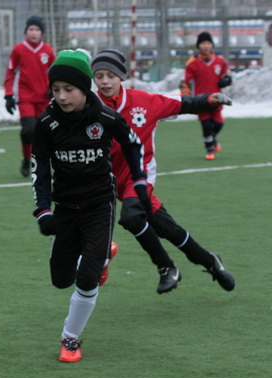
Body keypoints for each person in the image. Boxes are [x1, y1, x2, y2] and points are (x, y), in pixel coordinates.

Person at [32, 49, 150, 363]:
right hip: (65, 207)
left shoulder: (105, 117)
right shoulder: (46, 123)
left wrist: (139, 179)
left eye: (69, 89)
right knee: (61, 280)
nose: (61, 96)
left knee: (86, 279)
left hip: (99, 203)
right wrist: (43, 210)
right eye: (56, 89)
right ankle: (103, 254)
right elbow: (39, 168)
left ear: (85, 89)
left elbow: (132, 143)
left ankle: (70, 339)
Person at [91, 49, 235, 293]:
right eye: (99, 76)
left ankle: (166, 267)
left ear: (122, 77)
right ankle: (212, 262)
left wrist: (208, 99)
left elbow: (181, 103)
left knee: (131, 218)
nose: (105, 81)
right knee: (169, 230)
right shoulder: (88, 107)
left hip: (139, 176)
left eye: (111, 76)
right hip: (108, 180)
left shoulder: (144, 102)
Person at [4, 16, 55, 177]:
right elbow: (10, 72)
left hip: (44, 99)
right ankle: (26, 160)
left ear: (42, 32)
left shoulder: (48, 50)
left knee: (46, 133)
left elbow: (55, 72)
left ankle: (46, 165)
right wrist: (8, 95)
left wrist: (53, 88)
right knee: (29, 130)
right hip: (25, 98)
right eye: (31, 29)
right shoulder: (18, 49)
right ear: (26, 31)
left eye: (37, 30)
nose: (34, 33)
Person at [180, 31, 232, 160]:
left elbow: (227, 75)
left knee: (218, 124)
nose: (206, 46)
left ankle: (212, 141)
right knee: (206, 125)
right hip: (201, 100)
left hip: (217, 99)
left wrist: (226, 80)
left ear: (212, 45)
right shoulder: (192, 63)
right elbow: (185, 82)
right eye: (203, 43)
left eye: (208, 43)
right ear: (198, 46)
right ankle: (210, 150)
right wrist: (185, 95)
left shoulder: (220, 61)